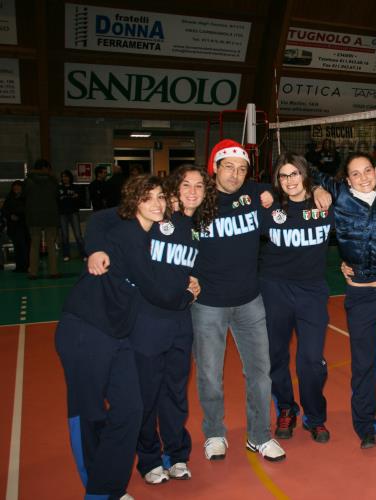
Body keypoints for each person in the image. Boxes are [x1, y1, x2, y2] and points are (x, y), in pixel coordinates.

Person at [55, 175, 199, 500]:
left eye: (160, 196)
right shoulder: (127, 233)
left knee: (130, 410)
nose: (156, 203)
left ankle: (110, 484)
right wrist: (188, 295)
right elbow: (155, 290)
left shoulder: (148, 234)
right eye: (147, 197)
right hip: (86, 329)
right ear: (134, 202)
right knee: (89, 414)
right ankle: (99, 491)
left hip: (119, 335)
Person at [86, 164, 216, 484]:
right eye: (186, 185)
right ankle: (149, 458)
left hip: (180, 323)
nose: (192, 192)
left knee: (175, 393)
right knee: (146, 395)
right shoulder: (157, 214)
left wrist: (197, 280)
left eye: (199, 186)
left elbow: (194, 265)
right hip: (147, 321)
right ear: (174, 189)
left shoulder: (199, 226)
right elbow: (99, 220)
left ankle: (177, 455)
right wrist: (95, 249)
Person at [190, 139, 285, 462]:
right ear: (214, 168)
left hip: (249, 301)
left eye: (242, 169)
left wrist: (315, 191)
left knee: (260, 373)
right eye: (228, 167)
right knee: (209, 375)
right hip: (208, 304)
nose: (235, 174)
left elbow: (287, 188)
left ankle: (260, 435)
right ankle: (214, 432)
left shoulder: (256, 194)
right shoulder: (198, 199)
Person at [312, 152, 376, 449]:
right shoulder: (341, 197)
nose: (363, 178)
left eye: (367, 171)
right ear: (347, 180)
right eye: (355, 174)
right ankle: (366, 425)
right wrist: (317, 188)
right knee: (364, 364)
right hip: (360, 296)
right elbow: (304, 170)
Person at [259, 153, 333, 443]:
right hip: (274, 289)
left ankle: (315, 416)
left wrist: (319, 188)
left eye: (294, 174)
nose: (289, 181)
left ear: (305, 175)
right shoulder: (269, 207)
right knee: (276, 355)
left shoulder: (325, 204)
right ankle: (286, 408)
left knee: (311, 360)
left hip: (312, 292)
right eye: (283, 175)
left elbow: (358, 193)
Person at [25, 159, 60, 279]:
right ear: (45, 168)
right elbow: (57, 195)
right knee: (51, 245)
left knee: (34, 245)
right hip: (50, 216)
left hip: (34, 216)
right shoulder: (53, 180)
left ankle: (33, 272)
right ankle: (53, 272)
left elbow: (24, 196)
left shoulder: (28, 181)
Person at [58, 169, 86, 261]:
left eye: (66, 176)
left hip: (73, 212)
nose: (64, 178)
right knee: (65, 236)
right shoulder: (59, 188)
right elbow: (56, 201)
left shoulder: (75, 188)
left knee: (78, 235)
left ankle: (83, 254)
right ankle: (66, 255)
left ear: (70, 177)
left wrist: (76, 198)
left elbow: (81, 200)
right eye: (63, 177)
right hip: (62, 214)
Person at [1, 181, 30, 273]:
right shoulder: (9, 198)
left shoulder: (26, 198)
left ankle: (26, 265)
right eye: (14, 186)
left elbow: (27, 210)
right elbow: (4, 210)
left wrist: (17, 215)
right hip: (13, 227)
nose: (16, 188)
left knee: (24, 246)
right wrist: (10, 216)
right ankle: (19, 266)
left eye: (18, 186)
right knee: (17, 247)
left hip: (24, 226)